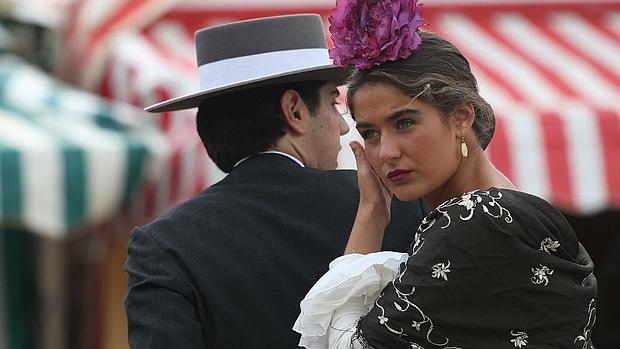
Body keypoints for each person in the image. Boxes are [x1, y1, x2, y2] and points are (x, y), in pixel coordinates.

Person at [294, 1, 598, 348]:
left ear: (461, 117)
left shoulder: (474, 220)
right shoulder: (509, 208)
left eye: (404, 122)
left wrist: (370, 216)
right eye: (370, 133)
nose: (386, 152)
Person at [124, 14, 427, 348]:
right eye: (333, 103)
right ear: (294, 111)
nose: (343, 128)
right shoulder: (396, 203)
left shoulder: (164, 243)